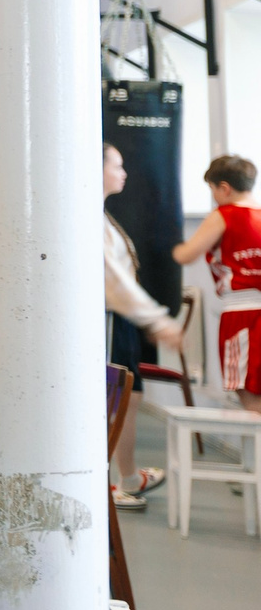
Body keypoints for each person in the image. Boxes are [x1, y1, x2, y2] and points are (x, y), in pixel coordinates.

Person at [105, 143, 186, 508]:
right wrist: (155, 319)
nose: (123, 174)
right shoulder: (89, 218)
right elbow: (113, 280)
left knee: (129, 397)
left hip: (120, 321)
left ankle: (129, 476)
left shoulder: (102, 215)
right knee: (116, 400)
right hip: (108, 320)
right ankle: (113, 483)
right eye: (117, 166)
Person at [175, 153, 261, 408]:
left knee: (250, 399)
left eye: (212, 189)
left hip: (242, 314)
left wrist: (164, 245)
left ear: (224, 188)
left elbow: (186, 255)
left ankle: (255, 450)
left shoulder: (224, 215)